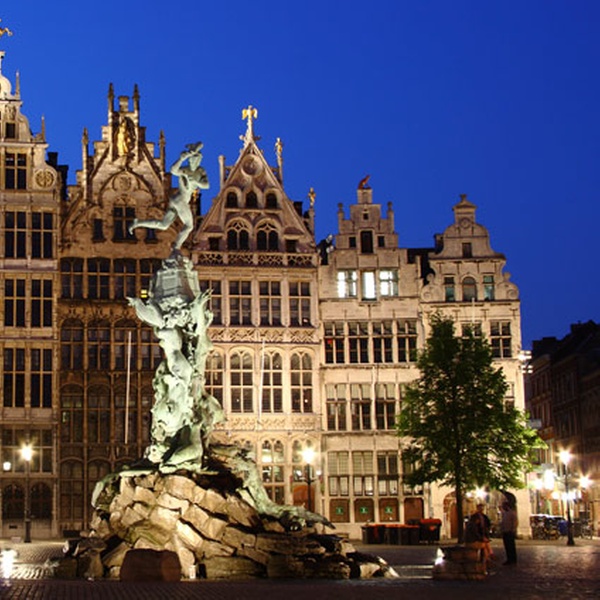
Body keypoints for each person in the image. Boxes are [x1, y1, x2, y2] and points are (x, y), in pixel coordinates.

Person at [129, 142, 209, 250]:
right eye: (191, 160)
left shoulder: (200, 171)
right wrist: (181, 159)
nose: (193, 162)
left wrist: (196, 182)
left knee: (164, 225)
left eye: (195, 160)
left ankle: (138, 223)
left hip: (176, 200)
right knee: (189, 226)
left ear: (199, 160)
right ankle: (176, 247)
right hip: (180, 200)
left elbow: (206, 185)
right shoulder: (185, 170)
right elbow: (173, 170)